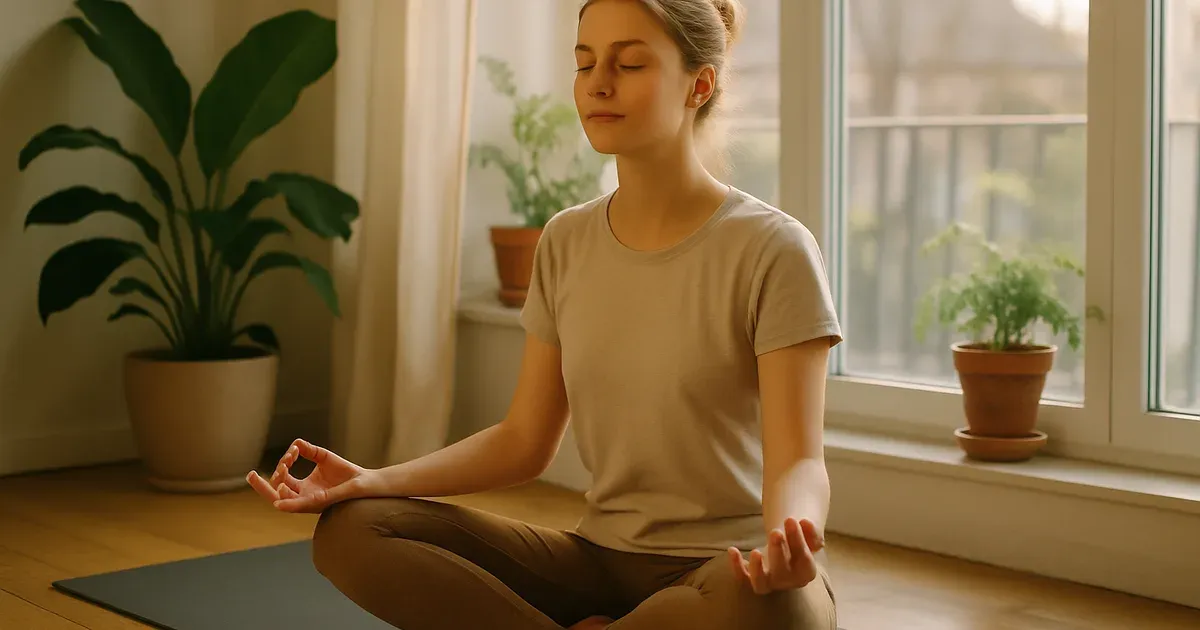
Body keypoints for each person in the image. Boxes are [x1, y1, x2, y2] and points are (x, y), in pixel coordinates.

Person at [247, 0, 842, 628]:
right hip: (598, 560)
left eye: (630, 63)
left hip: (731, 573)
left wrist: (789, 536)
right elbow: (523, 440)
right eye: (585, 64)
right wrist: (371, 480)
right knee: (355, 530)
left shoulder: (774, 248)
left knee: (771, 610)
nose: (599, 84)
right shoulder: (565, 241)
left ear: (700, 83)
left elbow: (799, 459)